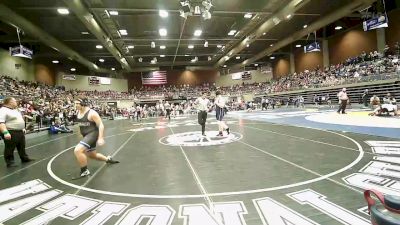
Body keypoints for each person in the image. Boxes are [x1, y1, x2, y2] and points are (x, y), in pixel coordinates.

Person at [73, 97, 119, 178]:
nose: (75, 105)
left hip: (92, 134)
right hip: (86, 135)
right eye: (75, 103)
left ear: (83, 104)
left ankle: (84, 171)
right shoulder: (78, 112)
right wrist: (80, 134)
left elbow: (101, 125)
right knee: (92, 155)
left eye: (77, 103)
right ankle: (107, 159)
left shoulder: (92, 113)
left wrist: (100, 137)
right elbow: (81, 124)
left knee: (77, 150)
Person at [0, 97, 34, 167]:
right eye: (15, 101)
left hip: (19, 131)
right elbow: (1, 123)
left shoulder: (15, 110)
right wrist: (5, 133)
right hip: (10, 131)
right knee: (9, 147)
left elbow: (19, 119)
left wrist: (23, 128)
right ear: (10, 102)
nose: (16, 102)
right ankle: (10, 162)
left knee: (22, 146)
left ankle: (24, 158)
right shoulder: (3, 110)